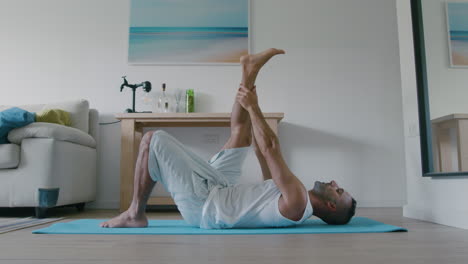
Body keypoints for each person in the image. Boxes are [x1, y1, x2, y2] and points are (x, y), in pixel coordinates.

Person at [101, 48, 356, 229]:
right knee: (240, 134)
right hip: (224, 188)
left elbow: (270, 148)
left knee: (151, 139)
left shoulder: (298, 202)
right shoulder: (290, 199)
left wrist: (254, 107)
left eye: (339, 190)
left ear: (331, 206)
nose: (335, 183)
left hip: (206, 207)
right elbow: (259, 147)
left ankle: (135, 213)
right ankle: (248, 70)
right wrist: (251, 101)